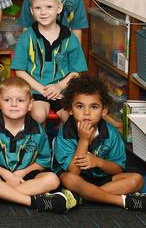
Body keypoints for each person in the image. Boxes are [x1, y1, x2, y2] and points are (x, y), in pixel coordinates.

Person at [0, 77, 76, 213]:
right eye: (7, 100)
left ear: (30, 104)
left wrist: (22, 172)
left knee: (53, 180)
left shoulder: (38, 130)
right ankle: (34, 202)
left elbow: (43, 161)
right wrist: (8, 175)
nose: (14, 104)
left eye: (20, 100)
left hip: (26, 176)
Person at [54, 75, 146, 211]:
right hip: (78, 180)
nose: (86, 113)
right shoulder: (66, 133)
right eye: (80, 106)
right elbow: (73, 172)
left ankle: (81, 197)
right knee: (69, 180)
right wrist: (84, 140)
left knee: (137, 179)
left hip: (103, 179)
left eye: (94, 107)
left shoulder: (110, 133)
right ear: (70, 110)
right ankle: (121, 201)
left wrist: (98, 162)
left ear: (104, 111)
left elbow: (118, 168)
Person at [11, 0, 87, 123]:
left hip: (63, 89)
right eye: (38, 8)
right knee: (39, 115)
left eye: (49, 7)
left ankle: (61, 143)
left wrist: (58, 86)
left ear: (59, 8)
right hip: (36, 89)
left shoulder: (70, 38)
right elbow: (19, 71)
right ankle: (41, 143)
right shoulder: (26, 38)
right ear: (32, 11)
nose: (43, 12)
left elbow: (77, 71)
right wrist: (42, 89)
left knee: (72, 119)